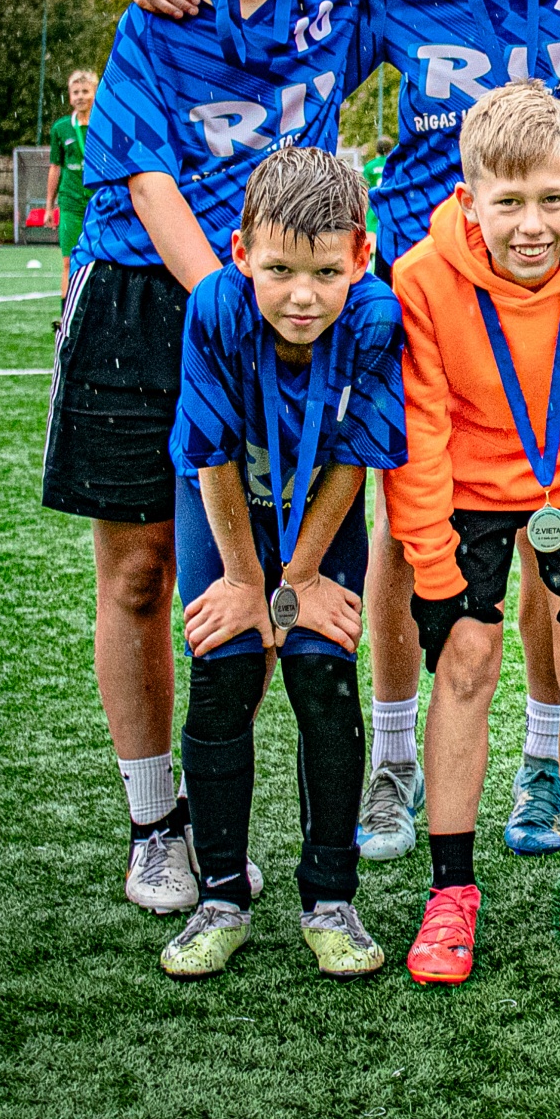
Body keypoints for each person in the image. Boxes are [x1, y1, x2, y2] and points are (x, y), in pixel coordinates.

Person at [122, 0, 560, 869]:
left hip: (557, 278)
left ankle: (542, 757)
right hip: (424, 277)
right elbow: (280, 1)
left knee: (554, 523)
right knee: (415, 528)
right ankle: (397, 761)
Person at [49, 0, 452, 915]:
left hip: (289, 304)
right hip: (157, 292)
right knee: (140, 574)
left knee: (279, 577)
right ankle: (156, 824)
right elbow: (148, 183)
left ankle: (297, 820)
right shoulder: (155, 20)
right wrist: (232, 301)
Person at [387, 81, 560, 982]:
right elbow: (419, 438)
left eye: (552, 198)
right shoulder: (422, 279)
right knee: (465, 660)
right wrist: (433, 567)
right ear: (470, 201)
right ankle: (450, 892)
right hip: (467, 486)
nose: (533, 225)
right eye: (508, 203)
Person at [156, 147, 405, 980]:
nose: (303, 295)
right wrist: (243, 581)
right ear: (241, 253)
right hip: (223, 503)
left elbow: (354, 460)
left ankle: (330, 898)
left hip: (319, 510)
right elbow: (211, 454)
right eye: (280, 271)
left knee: (322, 676)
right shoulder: (216, 307)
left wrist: (296, 582)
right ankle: (221, 897)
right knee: (224, 669)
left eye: (327, 272)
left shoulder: (375, 317)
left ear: (361, 256)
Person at [45, 69, 96, 297]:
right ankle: (66, 314)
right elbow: (55, 167)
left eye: (85, 91)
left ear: (94, 93)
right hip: (71, 204)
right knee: (68, 261)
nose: (80, 96)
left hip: (99, 202)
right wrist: (49, 206)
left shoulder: (103, 125)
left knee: (100, 261)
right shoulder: (61, 128)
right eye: (76, 92)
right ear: (69, 96)